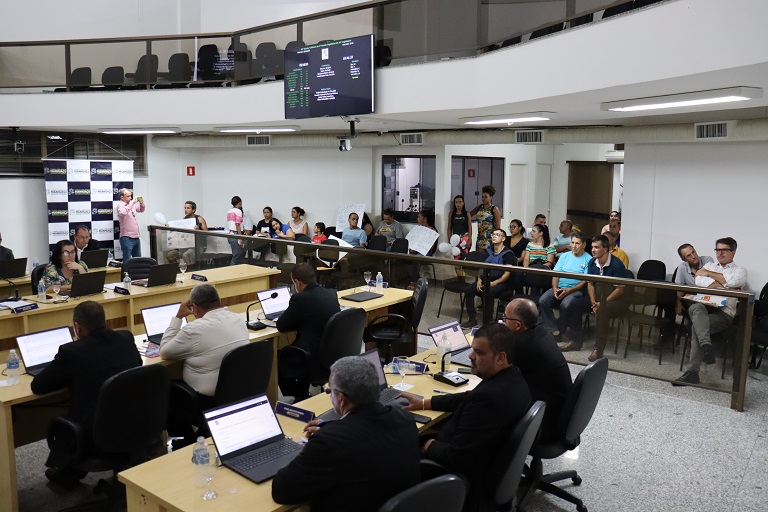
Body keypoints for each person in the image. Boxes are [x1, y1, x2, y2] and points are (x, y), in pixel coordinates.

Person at [272, 356, 420, 512]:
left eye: (330, 391)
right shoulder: (405, 419)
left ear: (341, 399)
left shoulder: (329, 442)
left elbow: (281, 491)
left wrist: (309, 447)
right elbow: (367, 436)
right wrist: (332, 429)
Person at [398, 323, 531, 491]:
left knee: (394, 448)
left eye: (479, 353)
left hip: (453, 472)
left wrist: (430, 445)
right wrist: (425, 403)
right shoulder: (514, 379)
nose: (470, 356)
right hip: (481, 458)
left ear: (500, 358)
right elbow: (468, 397)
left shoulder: (488, 398)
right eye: (472, 350)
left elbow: (457, 457)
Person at [31, 301, 142, 488]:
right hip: (136, 424)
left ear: (78, 327)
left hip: (95, 435)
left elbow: (38, 386)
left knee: (80, 415)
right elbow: (137, 364)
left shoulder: (71, 352)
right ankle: (72, 473)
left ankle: (70, 473)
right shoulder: (125, 338)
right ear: (104, 321)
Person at [160, 283, 249, 442]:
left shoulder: (193, 329)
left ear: (194, 307)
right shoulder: (238, 319)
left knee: (166, 387)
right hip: (240, 391)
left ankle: (188, 439)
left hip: (207, 401)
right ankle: (201, 434)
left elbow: (165, 351)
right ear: (218, 301)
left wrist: (178, 317)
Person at [675, 237, 747, 386]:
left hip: (724, 313)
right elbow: (699, 282)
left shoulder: (740, 271)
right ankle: (706, 346)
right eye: (717, 250)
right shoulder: (709, 265)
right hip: (704, 308)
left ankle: (693, 372)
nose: (720, 253)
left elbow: (733, 282)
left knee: (697, 327)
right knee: (695, 307)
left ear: (733, 252)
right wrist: (724, 283)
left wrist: (710, 275)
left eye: (724, 250)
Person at [502, 298, 573, 442]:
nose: (502, 322)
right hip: (560, 413)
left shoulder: (521, 345)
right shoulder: (542, 332)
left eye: (505, 319)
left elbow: (499, 378)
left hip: (545, 424)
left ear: (518, 325)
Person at [277, 263, 341, 401]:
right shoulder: (331, 293)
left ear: (298, 283)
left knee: (278, 356)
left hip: (310, 357)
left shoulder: (299, 299)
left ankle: (301, 395)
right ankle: (303, 393)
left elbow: (281, 325)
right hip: (332, 355)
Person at [538, 231, 592, 351]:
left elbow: (585, 281)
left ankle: (560, 328)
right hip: (559, 287)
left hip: (576, 290)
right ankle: (554, 331)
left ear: (584, 244)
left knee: (566, 305)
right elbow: (556, 274)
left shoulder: (588, 259)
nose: (574, 246)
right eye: (572, 243)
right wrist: (555, 288)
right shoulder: (564, 256)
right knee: (543, 300)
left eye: (577, 243)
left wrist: (569, 290)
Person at [460, 228, 516, 328]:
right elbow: (482, 268)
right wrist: (479, 280)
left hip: (502, 283)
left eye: (497, 235)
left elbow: (506, 275)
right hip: (486, 279)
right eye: (493, 234)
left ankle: (488, 322)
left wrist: (494, 283)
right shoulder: (488, 251)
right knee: (468, 290)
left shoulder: (508, 254)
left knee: (489, 292)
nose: (494, 236)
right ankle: (472, 319)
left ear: (503, 239)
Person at [586, 234, 627, 362]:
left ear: (605, 249)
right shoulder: (592, 262)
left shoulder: (617, 264)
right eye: (592, 247)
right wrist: (593, 302)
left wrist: (601, 303)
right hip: (598, 298)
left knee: (602, 310)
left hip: (615, 300)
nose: (593, 250)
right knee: (573, 303)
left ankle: (598, 348)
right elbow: (590, 284)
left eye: (596, 247)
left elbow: (619, 289)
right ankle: (574, 341)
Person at [673, 243, 714, 316]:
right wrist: (678, 303)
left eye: (693, 252)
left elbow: (713, 282)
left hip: (709, 297)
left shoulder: (708, 260)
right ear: (684, 259)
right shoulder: (682, 267)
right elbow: (679, 288)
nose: (694, 256)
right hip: (693, 299)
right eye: (689, 255)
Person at [116, 188, 145, 261]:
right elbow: (123, 213)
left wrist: (141, 203)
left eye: (130, 196)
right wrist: (132, 203)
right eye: (128, 196)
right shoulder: (120, 205)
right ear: (122, 197)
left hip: (136, 237)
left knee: (138, 260)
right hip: (127, 237)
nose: (130, 198)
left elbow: (141, 210)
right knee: (127, 261)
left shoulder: (132, 205)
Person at [469, 184, 501, 250]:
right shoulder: (479, 207)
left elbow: (498, 226)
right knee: (479, 255)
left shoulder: (494, 209)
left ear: (491, 197)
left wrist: (496, 239)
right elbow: (469, 214)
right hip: (480, 237)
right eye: (482, 197)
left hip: (490, 238)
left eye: (486, 197)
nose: (483, 199)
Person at [226, 195, 245, 265]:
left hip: (230, 234)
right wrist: (240, 237)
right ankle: (232, 270)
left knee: (237, 255)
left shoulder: (229, 211)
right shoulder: (238, 211)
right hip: (236, 234)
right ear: (239, 203)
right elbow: (237, 224)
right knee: (237, 256)